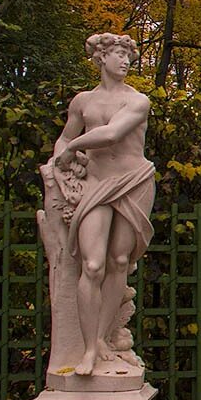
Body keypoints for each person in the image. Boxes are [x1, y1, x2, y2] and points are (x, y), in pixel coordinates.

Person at [51, 33, 153, 376]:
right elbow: (65, 137)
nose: (125, 60)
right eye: (119, 54)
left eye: (128, 54)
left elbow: (111, 134)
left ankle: (101, 338)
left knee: (119, 260)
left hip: (133, 181)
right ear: (101, 58)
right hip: (95, 184)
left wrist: (73, 147)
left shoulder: (138, 101)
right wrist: (60, 165)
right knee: (92, 266)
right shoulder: (82, 102)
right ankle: (90, 349)